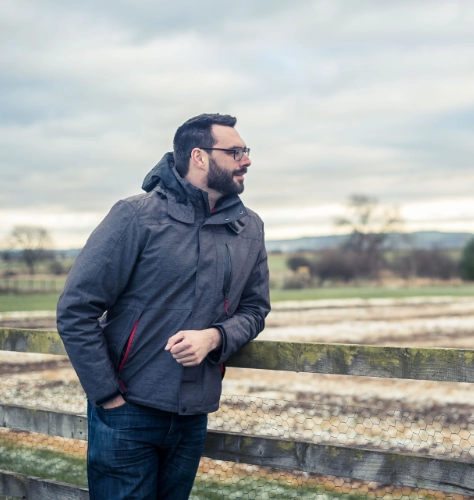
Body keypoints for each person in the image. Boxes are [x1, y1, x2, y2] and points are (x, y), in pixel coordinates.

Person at [57, 113, 271, 500]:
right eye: (236, 151)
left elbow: (255, 310)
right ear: (200, 157)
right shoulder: (136, 216)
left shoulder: (248, 228)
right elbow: (76, 309)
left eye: (246, 151)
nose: (247, 160)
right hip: (128, 412)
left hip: (193, 415)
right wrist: (107, 396)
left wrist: (215, 336)